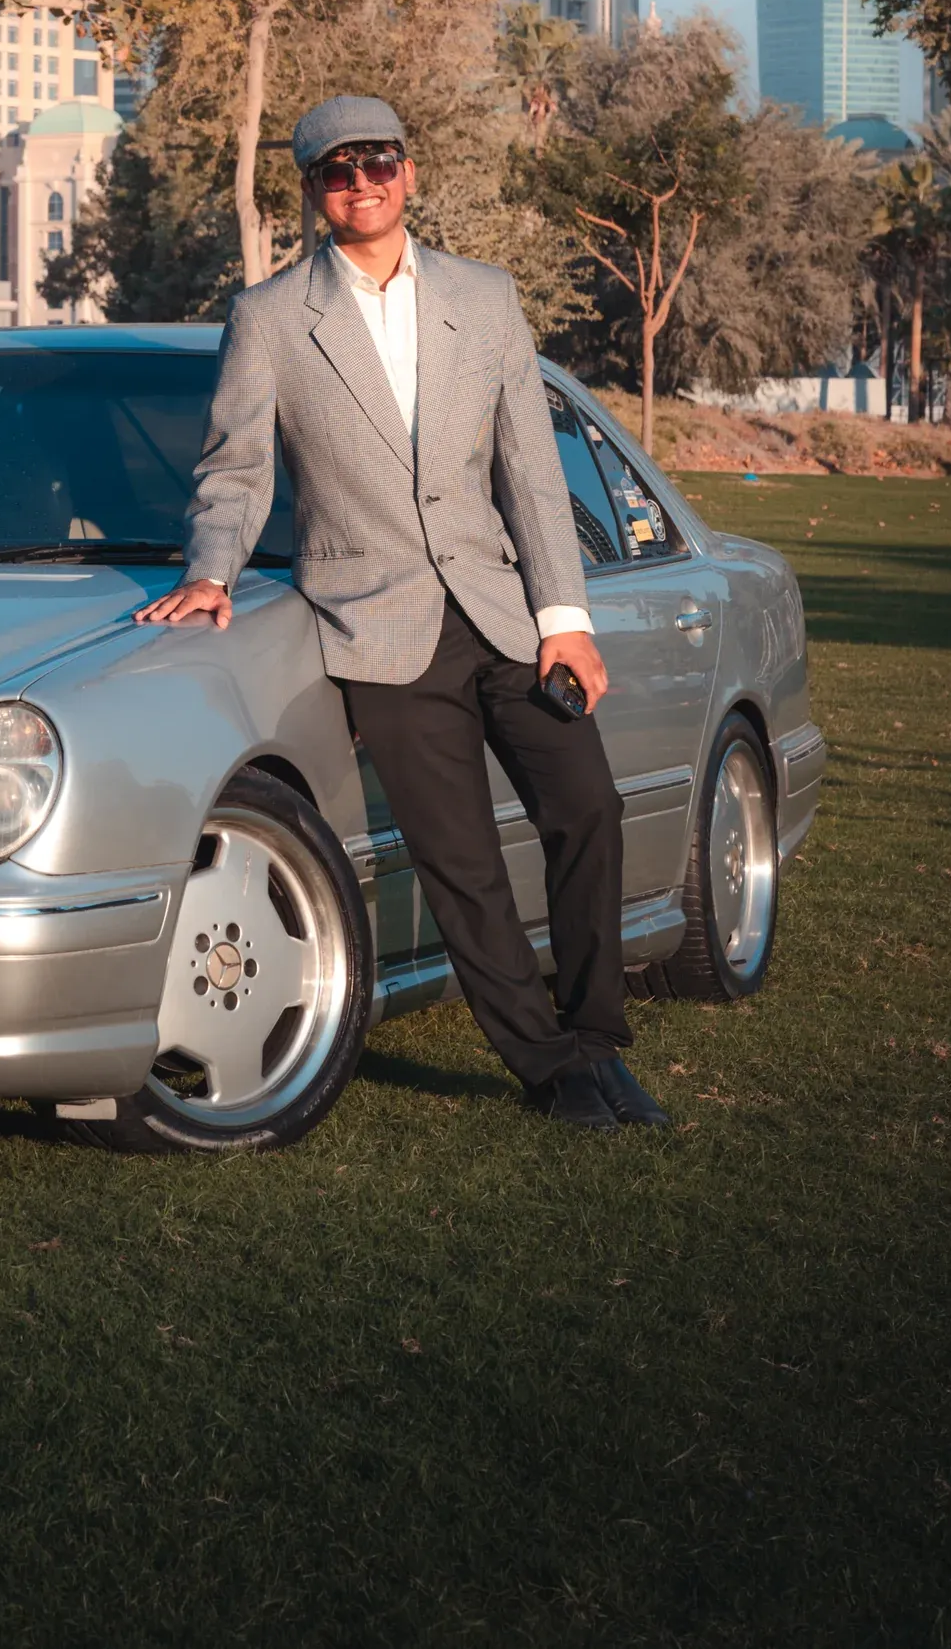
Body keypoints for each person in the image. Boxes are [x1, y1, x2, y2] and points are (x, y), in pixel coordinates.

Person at [137, 94, 669, 1133]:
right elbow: (236, 468)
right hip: (376, 629)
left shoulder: (486, 296)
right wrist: (211, 570)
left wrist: (563, 617)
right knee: (461, 865)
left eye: (377, 163)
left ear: (408, 172)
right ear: (312, 191)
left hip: (502, 614)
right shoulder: (270, 317)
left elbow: (529, 468)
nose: (361, 184)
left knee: (588, 810)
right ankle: (549, 1070)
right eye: (337, 171)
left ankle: (596, 1040)